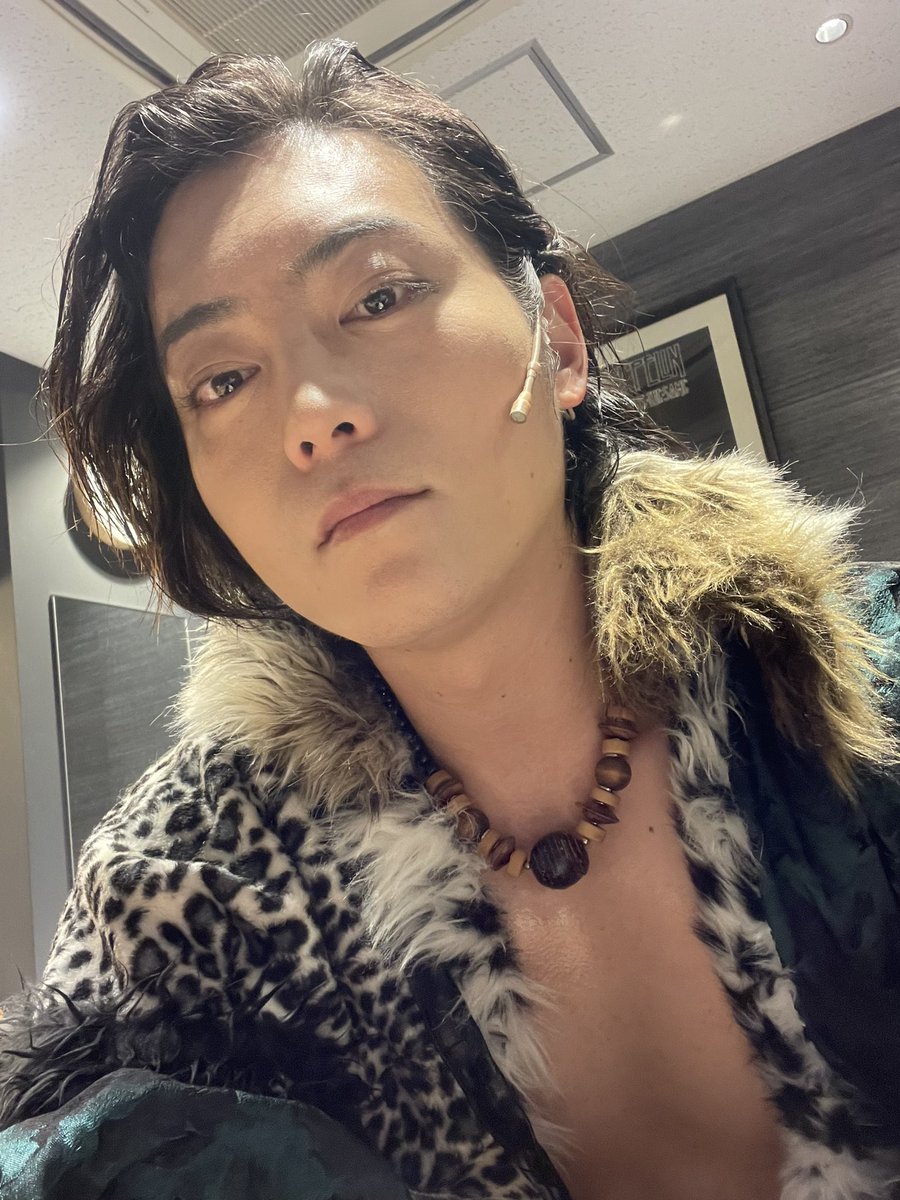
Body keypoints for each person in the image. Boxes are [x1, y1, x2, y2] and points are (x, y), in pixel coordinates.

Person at [1, 37, 899, 1200]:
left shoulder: (861, 683)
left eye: (379, 297)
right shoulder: (182, 894)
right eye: (222, 380)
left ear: (557, 341)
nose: (312, 415)